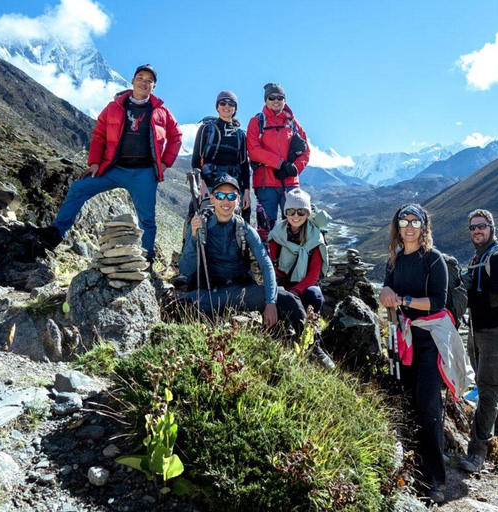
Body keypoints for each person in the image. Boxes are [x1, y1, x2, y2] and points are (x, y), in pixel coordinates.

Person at [36, 64, 182, 263]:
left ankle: (146, 258)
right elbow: (99, 136)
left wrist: (165, 163)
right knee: (79, 188)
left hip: (144, 173)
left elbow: (176, 136)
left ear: (153, 87)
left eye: (149, 81)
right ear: (132, 80)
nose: (144, 83)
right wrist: (95, 162)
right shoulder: (114, 107)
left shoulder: (161, 111)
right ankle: (56, 233)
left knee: (147, 218)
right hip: (114, 168)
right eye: (140, 78)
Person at [378, 204, 449, 504]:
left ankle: (436, 480)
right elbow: (385, 291)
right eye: (404, 221)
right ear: (398, 226)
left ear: (424, 226)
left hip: (429, 340)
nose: (409, 227)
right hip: (404, 339)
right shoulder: (394, 261)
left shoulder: (434, 260)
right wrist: (384, 293)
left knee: (429, 407)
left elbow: (437, 302)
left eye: (415, 221)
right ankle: (414, 469)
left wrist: (404, 299)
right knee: (408, 402)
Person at [178, 175, 306, 335]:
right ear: (212, 198)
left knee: (287, 299)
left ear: (238, 200)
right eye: (220, 196)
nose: (226, 201)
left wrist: (271, 302)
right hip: (210, 293)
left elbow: (266, 266)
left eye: (231, 196)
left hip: (243, 292)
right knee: (179, 306)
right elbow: (186, 269)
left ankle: (312, 346)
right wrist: (194, 237)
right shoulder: (199, 226)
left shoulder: (245, 229)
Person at [458, 209, 498, 474]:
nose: (476, 231)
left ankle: (477, 453)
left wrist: (464, 292)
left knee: (488, 390)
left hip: (497, 333)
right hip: (478, 331)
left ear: (492, 228)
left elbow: (494, 299)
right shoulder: (479, 257)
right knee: (494, 385)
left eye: (481, 226)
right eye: (472, 227)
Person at [246, 83, 310, 226]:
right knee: (266, 227)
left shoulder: (293, 123)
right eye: (271, 97)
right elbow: (253, 150)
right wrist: (280, 164)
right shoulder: (256, 122)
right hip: (265, 184)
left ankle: (293, 250)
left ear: (284, 100)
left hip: (290, 184)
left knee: (295, 225)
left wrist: (293, 168)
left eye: (280, 97)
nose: (276, 101)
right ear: (266, 100)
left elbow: (306, 151)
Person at [191, 91, 251, 222]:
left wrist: (246, 192)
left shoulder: (240, 135)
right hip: (208, 182)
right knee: (197, 218)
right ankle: (189, 242)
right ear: (217, 106)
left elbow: (244, 164)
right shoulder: (206, 129)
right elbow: (196, 159)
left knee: (241, 219)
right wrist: (201, 185)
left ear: (235, 108)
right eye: (223, 102)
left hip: (233, 184)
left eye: (231, 103)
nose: (226, 106)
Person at [267, 189, 328, 314]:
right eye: (291, 211)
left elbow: (314, 275)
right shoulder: (277, 234)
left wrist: (295, 291)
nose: (295, 216)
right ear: (286, 213)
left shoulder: (315, 238)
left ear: (307, 214)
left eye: (301, 212)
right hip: (282, 283)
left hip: (305, 286)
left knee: (314, 296)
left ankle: (310, 325)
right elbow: (270, 264)